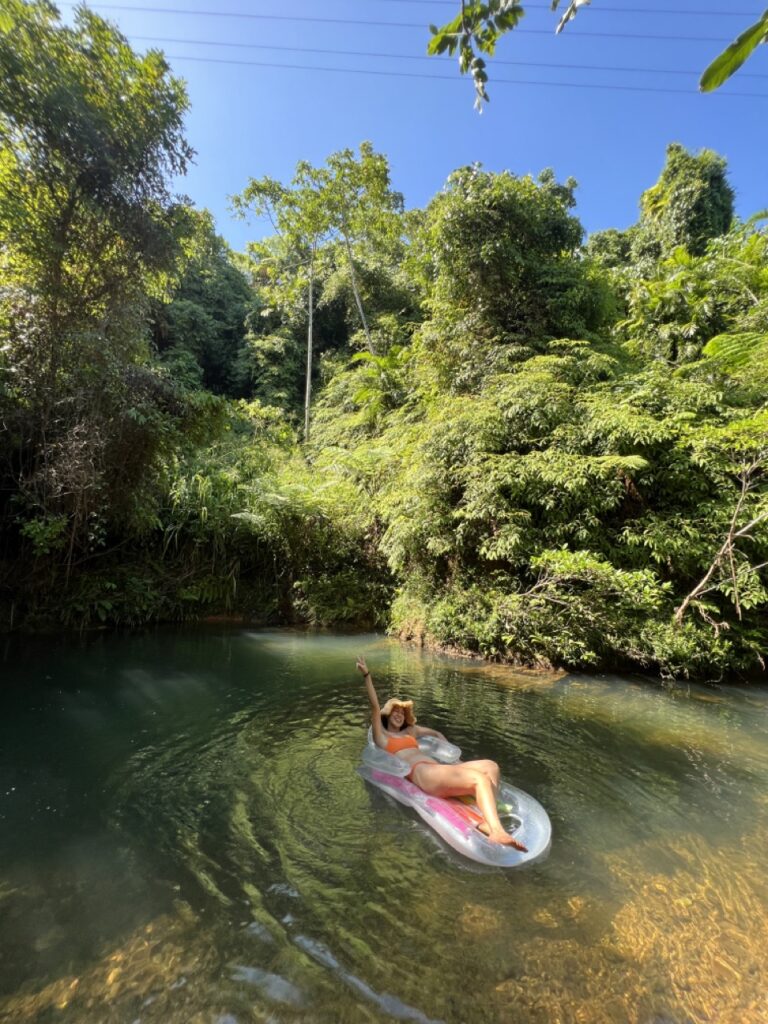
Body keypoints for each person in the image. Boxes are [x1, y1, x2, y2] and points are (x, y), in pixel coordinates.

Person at [357, 656, 526, 849]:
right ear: (387, 715)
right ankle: (496, 831)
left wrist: (451, 755)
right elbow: (374, 707)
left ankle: (488, 815)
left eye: (402, 713)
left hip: (438, 769)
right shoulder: (383, 738)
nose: (399, 714)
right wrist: (367, 675)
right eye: (395, 711)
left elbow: (436, 733)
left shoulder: (411, 731)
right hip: (422, 774)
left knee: (490, 766)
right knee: (480, 779)